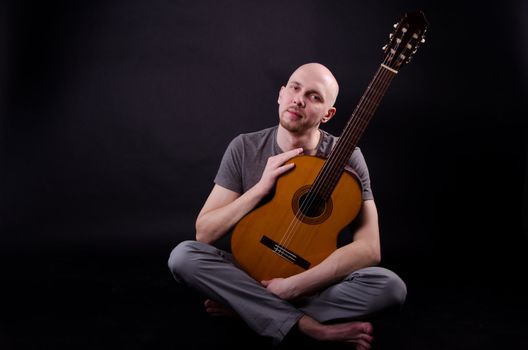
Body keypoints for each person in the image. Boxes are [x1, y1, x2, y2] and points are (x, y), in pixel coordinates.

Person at [168, 62, 407, 349]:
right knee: (183, 256)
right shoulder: (245, 147)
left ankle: (248, 309)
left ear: (328, 114)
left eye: (314, 96)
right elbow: (205, 233)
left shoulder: (348, 158)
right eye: (294, 88)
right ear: (281, 94)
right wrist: (260, 188)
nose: (299, 99)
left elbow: (370, 249)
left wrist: (294, 286)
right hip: (249, 270)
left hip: (312, 279)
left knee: (391, 287)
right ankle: (310, 327)